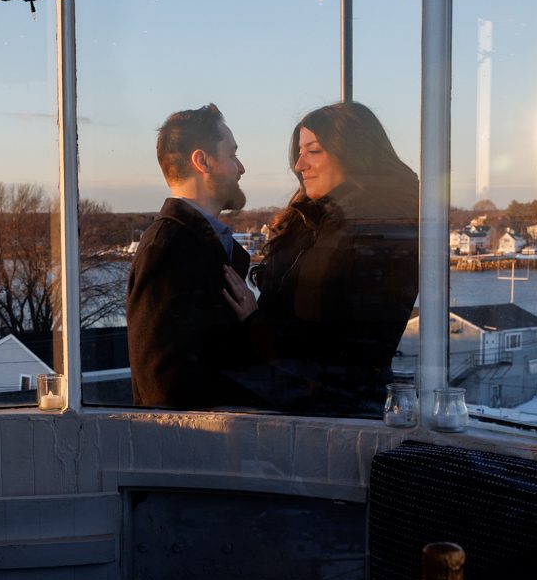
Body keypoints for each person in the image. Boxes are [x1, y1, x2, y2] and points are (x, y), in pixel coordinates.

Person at [223, 101, 419, 414]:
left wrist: (253, 321)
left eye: (313, 151)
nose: (299, 164)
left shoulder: (377, 231)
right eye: (299, 152)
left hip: (335, 412)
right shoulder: (312, 221)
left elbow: (338, 349)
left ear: (354, 153)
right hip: (292, 400)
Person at [125, 104, 255, 408]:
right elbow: (163, 387)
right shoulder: (168, 249)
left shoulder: (196, 243)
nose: (241, 167)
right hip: (195, 448)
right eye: (233, 155)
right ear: (203, 161)